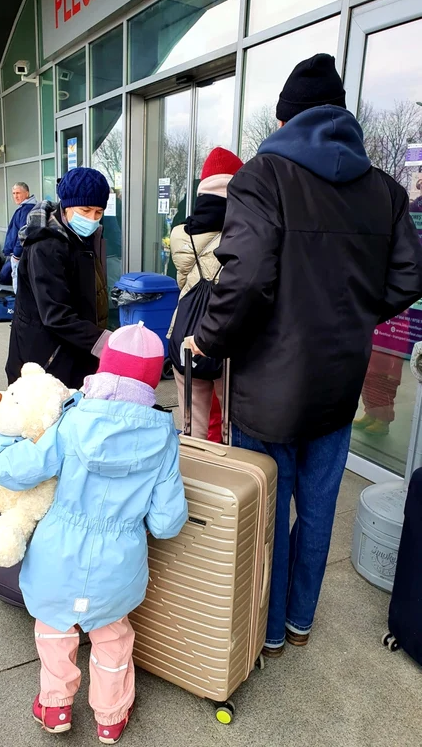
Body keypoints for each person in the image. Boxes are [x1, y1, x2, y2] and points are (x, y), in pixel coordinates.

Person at [188, 54, 422, 657]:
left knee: (264, 510)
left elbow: (244, 283)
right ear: (342, 116)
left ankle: (266, 633)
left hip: (268, 387)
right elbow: (410, 274)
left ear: (286, 117)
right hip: (338, 384)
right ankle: (299, 622)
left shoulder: (263, 178)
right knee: (317, 510)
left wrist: (206, 340)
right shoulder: (386, 191)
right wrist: (355, 311)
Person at [0, 323, 187, 742]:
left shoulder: (72, 421)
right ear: (152, 381)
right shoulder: (164, 436)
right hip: (119, 562)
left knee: (54, 627)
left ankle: (56, 707)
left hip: (58, 554)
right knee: (113, 636)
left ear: (104, 368)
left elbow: (13, 470)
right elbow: (168, 522)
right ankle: (111, 717)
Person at [6, 168, 111, 389]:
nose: (92, 219)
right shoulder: (46, 245)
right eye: (86, 210)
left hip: (75, 349)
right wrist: (105, 342)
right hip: (47, 358)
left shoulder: (84, 237)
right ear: (66, 205)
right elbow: (55, 314)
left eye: (99, 212)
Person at [169, 146, 243, 440]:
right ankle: (230, 480)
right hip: (226, 337)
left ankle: (194, 478)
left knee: (192, 421)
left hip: (185, 332)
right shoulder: (244, 231)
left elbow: (182, 281)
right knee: (232, 424)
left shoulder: (180, 233)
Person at [2, 182, 37, 292]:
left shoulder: (26, 210)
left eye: (18, 193)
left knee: (19, 288)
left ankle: (19, 308)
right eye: (13, 193)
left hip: (20, 255)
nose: (15, 196)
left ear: (27, 193)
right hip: (20, 254)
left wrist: (16, 254)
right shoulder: (24, 208)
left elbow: (24, 234)